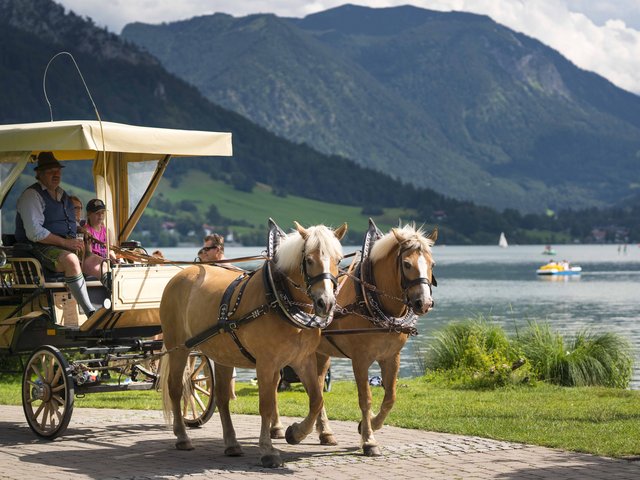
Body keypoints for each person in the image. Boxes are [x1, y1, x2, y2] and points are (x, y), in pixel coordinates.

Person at [15, 152, 95, 317]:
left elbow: (68, 222)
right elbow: (35, 233)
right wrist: (66, 243)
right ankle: (91, 313)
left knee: (102, 261)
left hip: (65, 246)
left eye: (58, 170)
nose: (56, 174)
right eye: (51, 171)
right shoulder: (31, 195)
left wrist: (80, 230)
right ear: (40, 174)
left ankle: (112, 313)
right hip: (39, 249)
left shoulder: (63, 195)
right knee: (72, 259)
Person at [82, 198, 118, 281]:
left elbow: (110, 250)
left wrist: (114, 260)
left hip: (105, 261)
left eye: (102, 213)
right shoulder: (86, 231)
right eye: (97, 213)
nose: (101, 216)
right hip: (94, 263)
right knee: (105, 267)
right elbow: (89, 255)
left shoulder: (107, 232)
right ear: (89, 214)